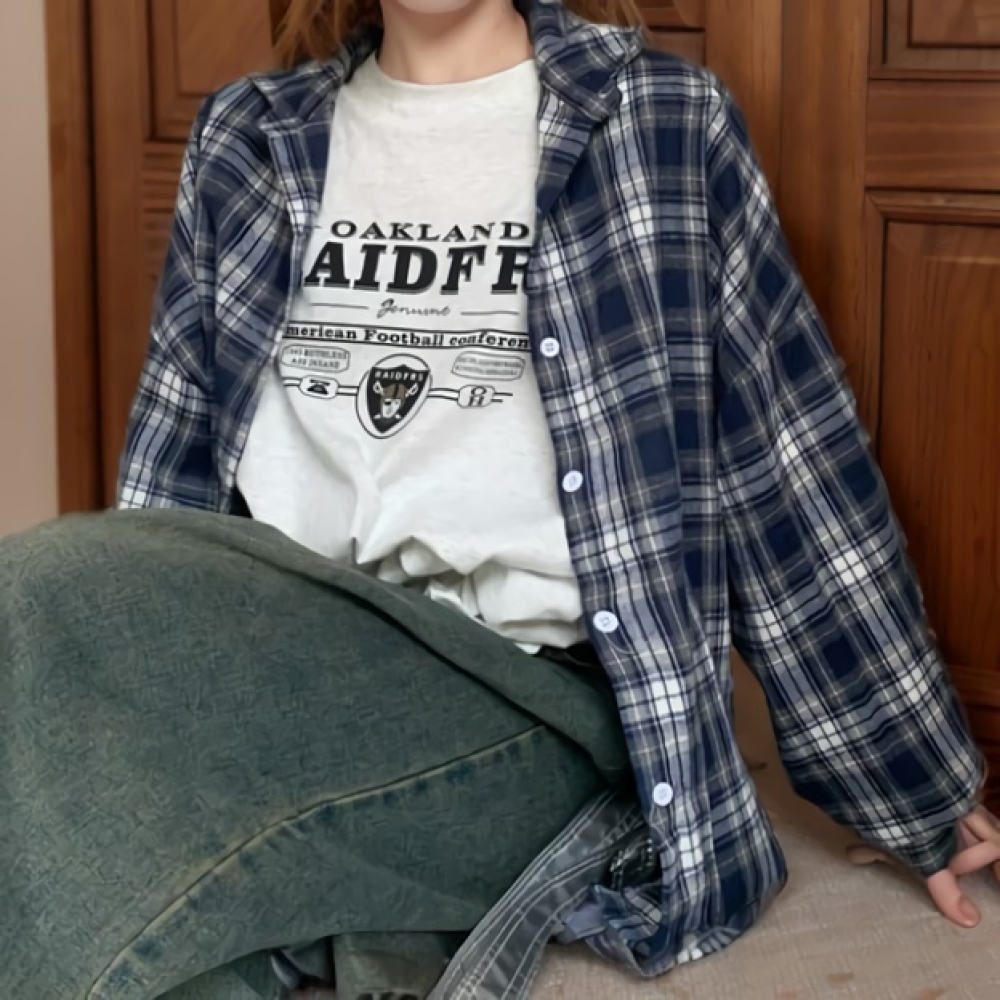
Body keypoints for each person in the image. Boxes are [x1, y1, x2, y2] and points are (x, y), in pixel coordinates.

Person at [1, 0, 997, 997]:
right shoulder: (248, 136)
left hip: (528, 688)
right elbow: (175, 458)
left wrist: (911, 779)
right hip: (294, 643)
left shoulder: (657, 123)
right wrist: (125, 678)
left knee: (41, 623)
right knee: (88, 826)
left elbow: (785, 463)